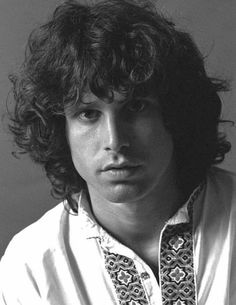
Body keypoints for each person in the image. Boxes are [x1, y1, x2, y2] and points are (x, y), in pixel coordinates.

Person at [0, 0, 235, 304]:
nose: (115, 140)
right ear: (61, 130)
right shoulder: (30, 268)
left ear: (175, 114)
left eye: (135, 107)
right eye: (88, 114)